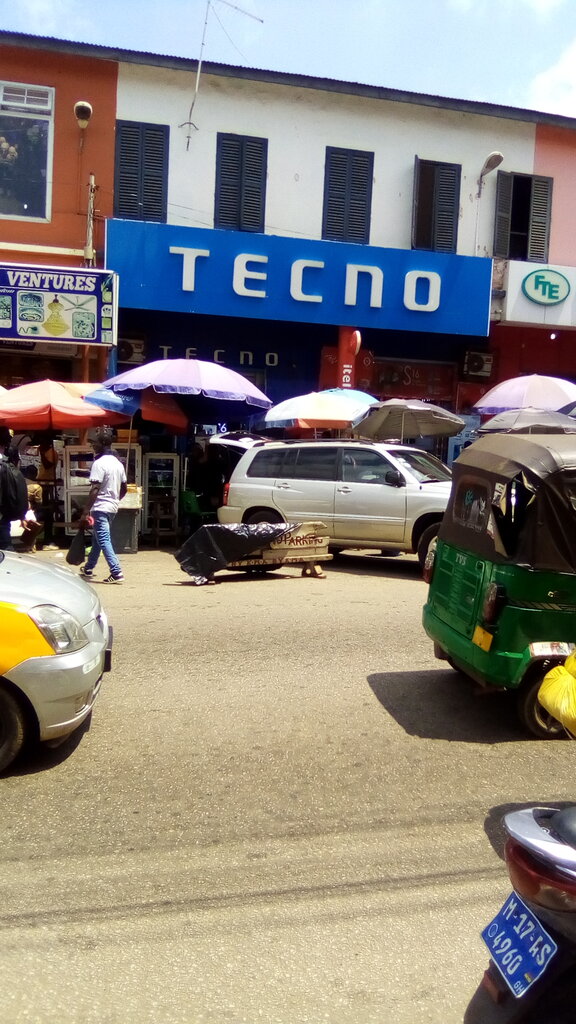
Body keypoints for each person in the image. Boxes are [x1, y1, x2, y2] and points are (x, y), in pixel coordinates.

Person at [79, 428, 127, 583]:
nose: (93, 445)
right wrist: (115, 500)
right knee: (97, 539)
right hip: (112, 508)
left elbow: (95, 488)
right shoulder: (118, 464)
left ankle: (116, 571)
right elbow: (124, 488)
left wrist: (85, 511)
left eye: (95, 443)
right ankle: (89, 567)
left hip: (100, 507)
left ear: (104, 443)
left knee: (103, 539)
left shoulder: (99, 463)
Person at [0, 433, 29, 550]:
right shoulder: (9, 468)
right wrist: (21, 515)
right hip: (3, 516)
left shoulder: (5, 467)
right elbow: (19, 493)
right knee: (6, 550)